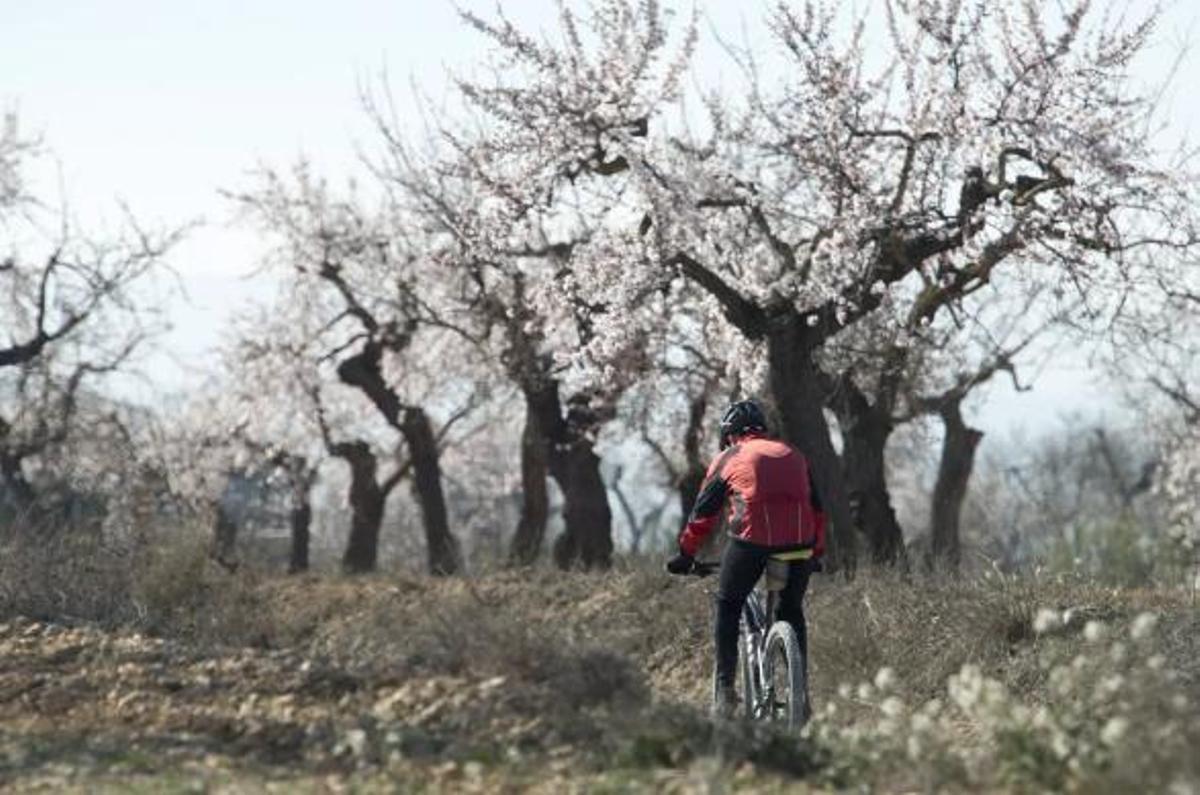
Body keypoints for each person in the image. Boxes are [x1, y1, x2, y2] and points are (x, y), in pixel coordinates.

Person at [665, 399, 826, 717]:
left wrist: (686, 554)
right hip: (800, 544)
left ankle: (725, 692)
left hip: (752, 542)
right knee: (790, 608)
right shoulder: (794, 454)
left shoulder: (729, 457)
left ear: (729, 435)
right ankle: (801, 697)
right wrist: (815, 552)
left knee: (728, 603)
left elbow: (703, 516)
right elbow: (818, 509)